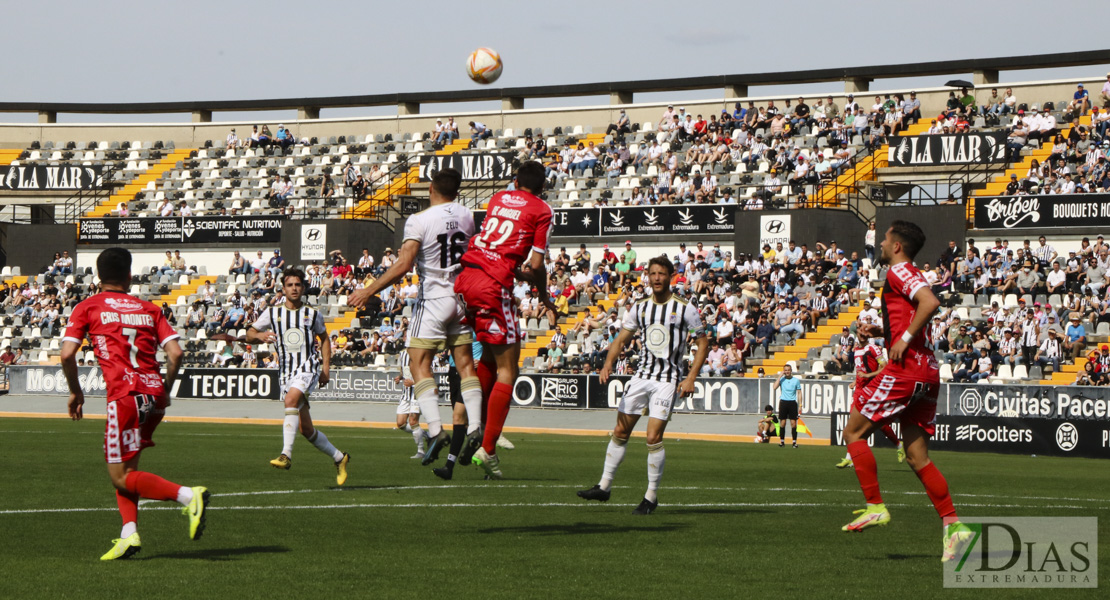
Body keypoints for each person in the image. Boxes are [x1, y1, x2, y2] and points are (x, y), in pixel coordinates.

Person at [60, 247, 208, 561]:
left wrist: (76, 392)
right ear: (129, 275)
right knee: (129, 468)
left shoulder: (88, 306)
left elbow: (66, 354)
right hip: (154, 396)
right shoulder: (149, 308)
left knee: (119, 475)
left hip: (125, 396)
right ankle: (129, 533)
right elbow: (177, 354)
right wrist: (164, 389)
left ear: (98, 276)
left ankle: (188, 496)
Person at [842, 220, 972, 562]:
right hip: (927, 372)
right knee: (917, 457)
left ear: (897, 246)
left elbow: (929, 303)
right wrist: (884, 332)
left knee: (854, 433)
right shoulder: (907, 275)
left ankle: (874, 506)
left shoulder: (900, 272)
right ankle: (954, 527)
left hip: (907, 368)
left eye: (885, 239)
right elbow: (917, 309)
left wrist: (901, 339)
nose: (881, 243)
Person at [348, 168, 483, 469]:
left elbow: (405, 263)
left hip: (434, 297)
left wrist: (369, 290)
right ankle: (475, 426)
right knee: (465, 365)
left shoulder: (420, 220)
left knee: (418, 362)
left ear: (431, 188)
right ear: (457, 191)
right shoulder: (467, 215)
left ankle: (435, 430)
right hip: (461, 297)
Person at [577, 256, 708, 515]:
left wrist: (691, 376)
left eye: (662, 273)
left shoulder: (686, 309)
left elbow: (703, 343)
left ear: (671, 277)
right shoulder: (640, 307)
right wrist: (608, 363)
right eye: (652, 273)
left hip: (667, 380)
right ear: (647, 276)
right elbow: (621, 339)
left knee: (652, 438)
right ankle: (604, 487)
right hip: (641, 376)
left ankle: (651, 496)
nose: (657, 278)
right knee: (620, 431)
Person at [454, 161, 557, 479]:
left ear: (516, 180)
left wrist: (513, 270)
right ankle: (488, 447)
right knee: (509, 369)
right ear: (543, 187)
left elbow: (495, 248)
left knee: (487, 355)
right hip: (491, 287)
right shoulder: (542, 210)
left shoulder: (498, 198)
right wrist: (543, 295)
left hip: (466, 278)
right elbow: (537, 263)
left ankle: (476, 426)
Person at [246, 268, 350, 483]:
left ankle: (286, 455)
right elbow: (250, 334)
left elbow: (325, 340)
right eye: (290, 285)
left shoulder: (312, 314)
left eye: (298, 285)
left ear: (303, 288)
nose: (294, 288)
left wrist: (326, 369)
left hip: (307, 367)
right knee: (306, 429)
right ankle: (340, 458)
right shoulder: (273, 313)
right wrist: (260, 335)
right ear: (283, 289)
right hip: (285, 373)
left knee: (290, 400)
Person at [836, 335, 904, 468]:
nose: (861, 335)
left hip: (871, 389)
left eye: (864, 334)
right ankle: (849, 458)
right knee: (852, 424)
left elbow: (884, 367)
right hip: (859, 390)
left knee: (880, 424)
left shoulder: (873, 348)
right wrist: (856, 381)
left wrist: (868, 376)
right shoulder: (856, 350)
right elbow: (860, 369)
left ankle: (899, 445)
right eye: (859, 333)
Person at [393, 351, 427, 459]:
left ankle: (421, 451)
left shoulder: (421, 352)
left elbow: (428, 375)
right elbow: (404, 372)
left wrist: (413, 383)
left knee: (413, 422)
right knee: (400, 423)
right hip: (406, 394)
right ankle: (427, 435)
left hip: (417, 392)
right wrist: (400, 377)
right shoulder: (402, 354)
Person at [772, 364, 802, 447]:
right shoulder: (782, 380)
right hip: (783, 402)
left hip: (792, 402)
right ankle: (782, 441)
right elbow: (774, 387)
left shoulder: (796, 380)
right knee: (783, 423)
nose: (787, 372)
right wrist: (780, 376)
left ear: (791, 371)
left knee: (793, 423)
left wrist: (800, 405)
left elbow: (799, 393)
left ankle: (794, 442)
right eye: (785, 370)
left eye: (788, 370)